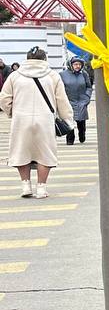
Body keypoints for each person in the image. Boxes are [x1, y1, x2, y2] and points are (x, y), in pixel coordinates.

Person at [0, 47, 74, 199]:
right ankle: (41, 188)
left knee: (21, 152)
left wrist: (11, 112)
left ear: (27, 59)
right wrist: (68, 119)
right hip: (45, 120)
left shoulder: (15, 76)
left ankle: (25, 186)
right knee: (44, 154)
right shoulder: (53, 76)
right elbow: (62, 100)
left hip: (21, 119)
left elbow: (4, 98)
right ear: (44, 59)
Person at [60, 58, 93, 144]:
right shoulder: (62, 75)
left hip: (82, 101)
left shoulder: (84, 74)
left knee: (81, 121)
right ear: (71, 65)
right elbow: (60, 89)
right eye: (75, 64)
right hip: (68, 101)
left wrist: (87, 97)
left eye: (79, 64)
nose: (78, 66)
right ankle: (70, 139)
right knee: (69, 121)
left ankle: (82, 135)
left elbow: (89, 87)